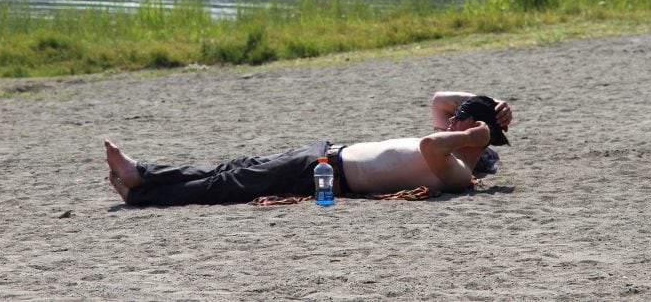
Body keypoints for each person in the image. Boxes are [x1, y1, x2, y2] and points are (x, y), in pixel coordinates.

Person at [105, 91, 512, 206]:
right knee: (232, 169)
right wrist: (491, 102)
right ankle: (142, 177)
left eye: (460, 115)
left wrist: (477, 136)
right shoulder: (455, 144)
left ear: (469, 129)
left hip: (325, 175)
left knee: (227, 185)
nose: (450, 116)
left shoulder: (458, 171)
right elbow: (440, 98)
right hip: (322, 154)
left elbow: (429, 143)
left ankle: (141, 184)